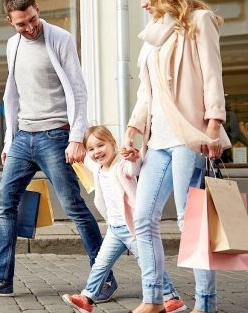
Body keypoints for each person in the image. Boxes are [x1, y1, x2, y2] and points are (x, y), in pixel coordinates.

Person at [0, 0, 115, 300]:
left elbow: (79, 91)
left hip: (55, 137)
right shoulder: (12, 44)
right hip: (23, 138)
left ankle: (104, 279)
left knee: (74, 207)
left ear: (37, 10)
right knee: (4, 204)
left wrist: (75, 139)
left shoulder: (60, 38)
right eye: (21, 24)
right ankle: (1, 280)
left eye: (32, 19)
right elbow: (12, 92)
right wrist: (9, 139)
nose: (29, 28)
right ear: (10, 21)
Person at [122, 0, 231, 313]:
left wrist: (212, 128)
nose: (142, 3)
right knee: (142, 216)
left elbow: (213, 77)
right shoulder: (153, 35)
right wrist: (133, 129)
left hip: (190, 137)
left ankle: (205, 304)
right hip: (158, 141)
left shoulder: (199, 21)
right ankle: (153, 298)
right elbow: (147, 89)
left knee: (191, 220)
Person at [61, 126, 186, 313]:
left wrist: (133, 157)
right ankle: (87, 298)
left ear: (113, 143)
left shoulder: (121, 165)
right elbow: (85, 163)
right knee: (101, 263)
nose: (97, 152)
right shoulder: (99, 169)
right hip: (114, 229)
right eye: (92, 149)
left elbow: (133, 169)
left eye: (101, 145)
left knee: (147, 261)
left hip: (132, 227)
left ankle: (172, 298)